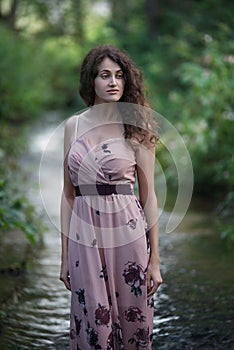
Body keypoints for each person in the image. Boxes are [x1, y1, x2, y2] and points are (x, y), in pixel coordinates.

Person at [60, 45, 162, 350]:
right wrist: (64, 255)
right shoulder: (73, 126)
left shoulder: (137, 127)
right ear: (91, 80)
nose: (113, 82)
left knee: (132, 319)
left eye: (119, 76)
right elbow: (67, 195)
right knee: (93, 318)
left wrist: (155, 260)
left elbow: (150, 198)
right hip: (84, 237)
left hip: (126, 234)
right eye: (105, 75)